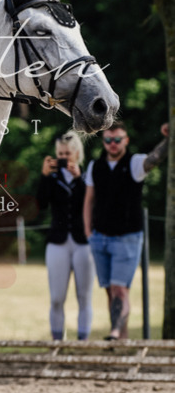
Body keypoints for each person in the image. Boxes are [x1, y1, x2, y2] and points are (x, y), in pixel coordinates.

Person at [83, 122, 169, 340]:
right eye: (109, 140)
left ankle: (113, 332)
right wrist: (88, 232)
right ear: (104, 142)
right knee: (111, 292)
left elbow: (156, 157)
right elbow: (88, 200)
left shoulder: (136, 163)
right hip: (100, 238)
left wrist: (169, 137)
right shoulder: (95, 166)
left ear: (126, 140)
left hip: (127, 238)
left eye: (118, 139)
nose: (113, 144)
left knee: (120, 290)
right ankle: (121, 339)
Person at [37, 131, 94, 341]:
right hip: (58, 241)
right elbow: (41, 204)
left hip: (83, 242)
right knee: (57, 298)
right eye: (60, 153)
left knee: (84, 297)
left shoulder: (87, 177)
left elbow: (90, 205)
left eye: (67, 153)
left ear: (76, 153)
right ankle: (57, 342)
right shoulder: (51, 178)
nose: (63, 157)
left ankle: (83, 342)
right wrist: (44, 176)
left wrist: (79, 179)